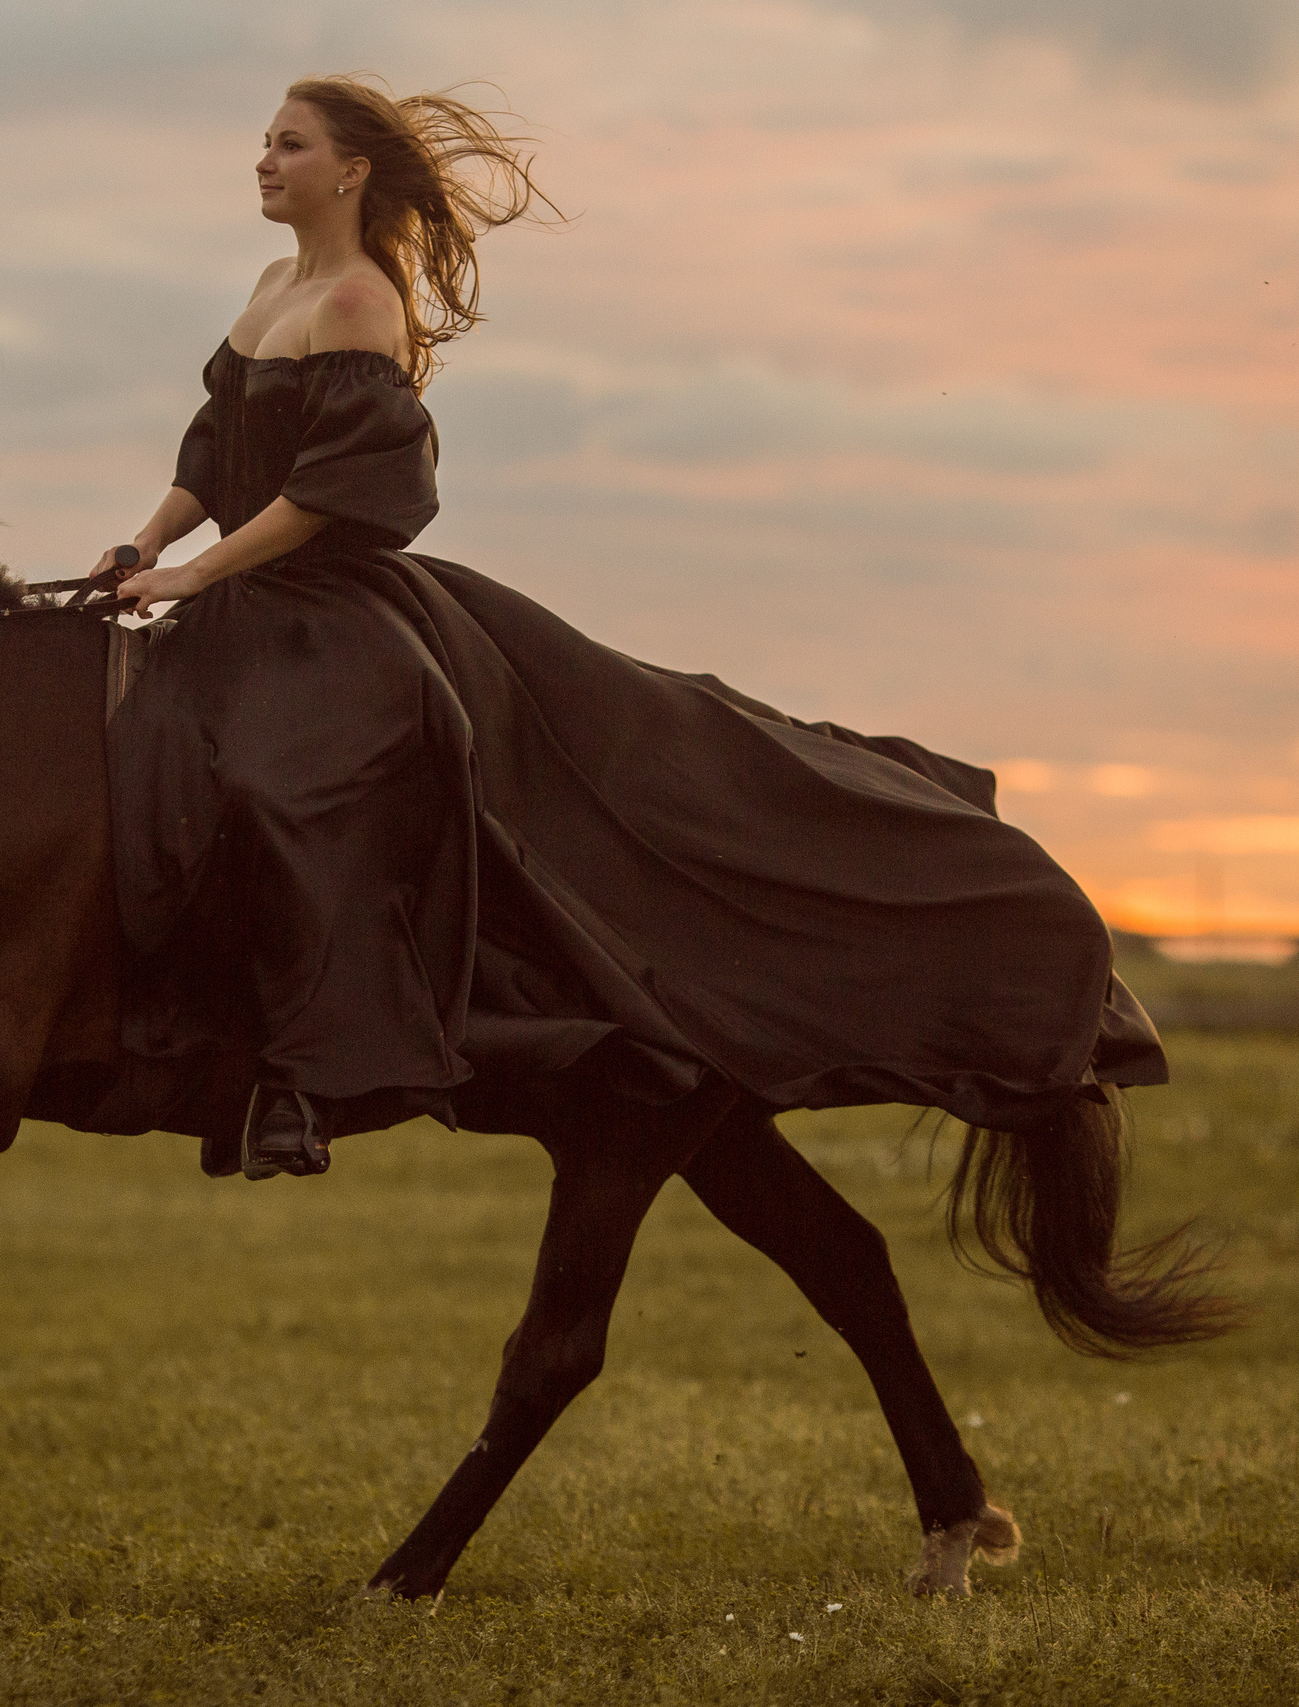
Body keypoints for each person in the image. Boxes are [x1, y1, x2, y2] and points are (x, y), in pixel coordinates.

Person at [97, 76, 1164, 1182]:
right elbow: (216, 447)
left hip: (331, 623)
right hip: (235, 601)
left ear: (352, 171)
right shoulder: (274, 284)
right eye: (263, 143)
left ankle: (304, 1080)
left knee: (282, 789)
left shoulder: (361, 304)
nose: (264, 162)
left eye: (289, 145)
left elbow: (335, 486)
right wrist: (142, 546)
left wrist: (197, 570)